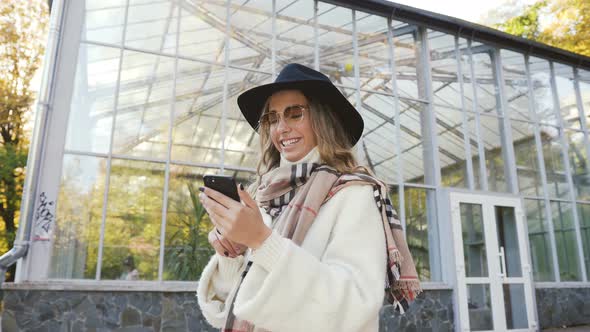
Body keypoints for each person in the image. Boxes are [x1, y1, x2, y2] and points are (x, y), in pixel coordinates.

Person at [196, 63, 421, 332]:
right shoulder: (262, 196)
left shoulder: (355, 194)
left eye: (294, 114)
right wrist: (231, 254)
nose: (281, 128)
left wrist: (262, 241)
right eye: (272, 118)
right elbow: (231, 308)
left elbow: (355, 305)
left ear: (324, 120)